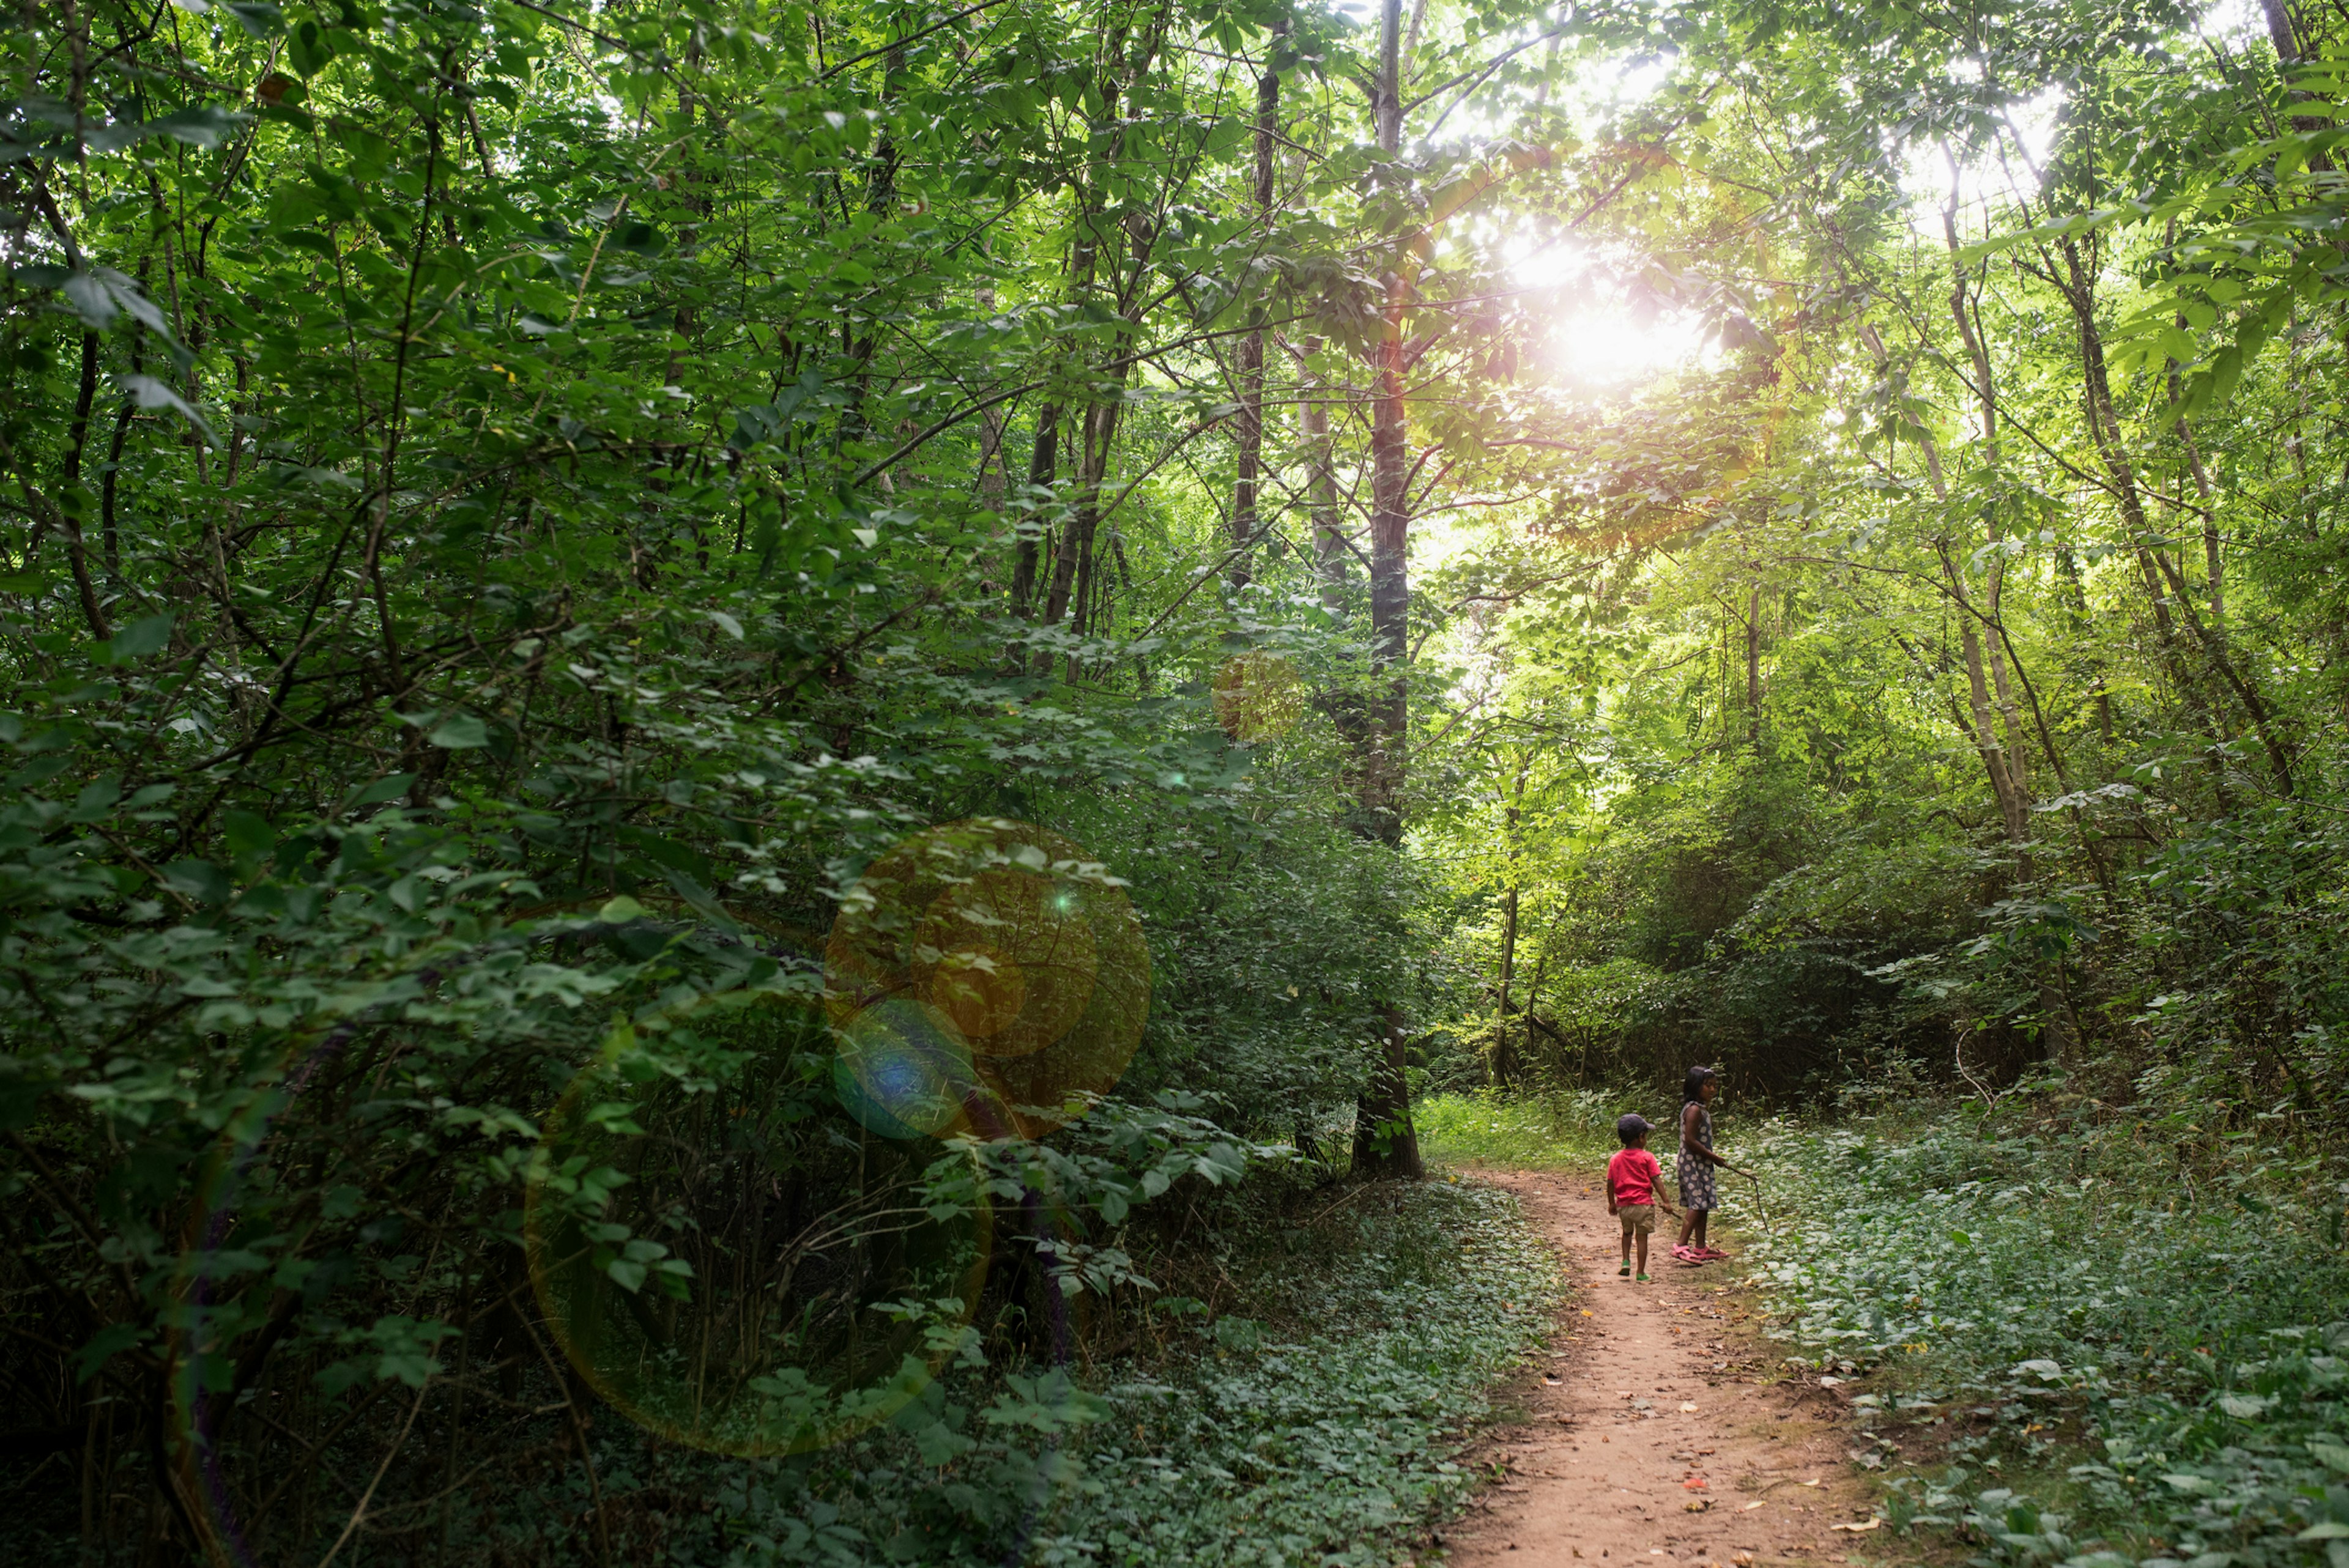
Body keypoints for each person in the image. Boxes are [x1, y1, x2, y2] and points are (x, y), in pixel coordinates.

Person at [1674, 1066, 1746, 1262]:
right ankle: (1680, 1245)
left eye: (1715, 1086)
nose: (1713, 1090)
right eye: (1708, 1086)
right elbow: (1690, 1140)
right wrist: (1714, 1157)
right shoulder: (1694, 1110)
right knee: (1697, 1203)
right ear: (1696, 1086)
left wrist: (1710, 1158)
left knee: (1703, 1203)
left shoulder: (1701, 1109)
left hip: (1700, 1163)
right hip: (1691, 1163)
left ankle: (1700, 1247)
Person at [1605, 1113, 1679, 1282]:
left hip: (1624, 1205)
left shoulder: (1615, 1159)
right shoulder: (1647, 1157)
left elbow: (1610, 1183)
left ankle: (1625, 1261)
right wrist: (1666, 1201)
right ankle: (1641, 1272)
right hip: (1643, 1204)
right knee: (1642, 1238)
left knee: (1627, 1233)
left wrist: (1612, 1203)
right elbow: (1656, 1180)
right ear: (1641, 1137)